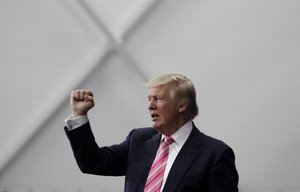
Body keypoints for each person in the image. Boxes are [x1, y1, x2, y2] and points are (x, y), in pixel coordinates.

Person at [64, 74, 239, 192]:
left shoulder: (215, 154)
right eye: (149, 99)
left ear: (182, 105)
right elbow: (92, 162)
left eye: (158, 99)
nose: (150, 105)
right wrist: (79, 115)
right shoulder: (138, 140)